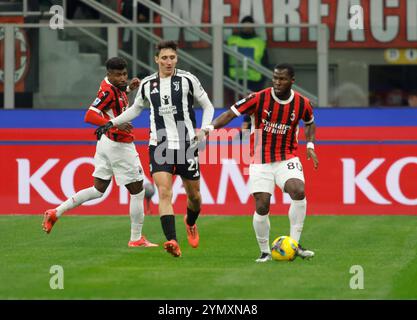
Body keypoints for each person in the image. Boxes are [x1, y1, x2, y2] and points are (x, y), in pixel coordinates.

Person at [95, 41, 215, 258]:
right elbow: (135, 109)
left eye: (172, 58)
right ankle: (172, 241)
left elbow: (208, 105)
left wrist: (205, 129)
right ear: (156, 59)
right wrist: (111, 123)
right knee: (164, 192)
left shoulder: (188, 79)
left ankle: (190, 221)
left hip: (187, 143)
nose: (169, 62)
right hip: (159, 143)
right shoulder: (148, 84)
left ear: (176, 59)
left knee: (194, 196)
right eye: (165, 58)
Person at [198, 63, 318, 262]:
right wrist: (207, 129)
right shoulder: (258, 98)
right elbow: (230, 113)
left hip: (286, 157)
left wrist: (310, 145)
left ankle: (294, 245)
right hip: (260, 160)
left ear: (292, 81)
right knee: (262, 205)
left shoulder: (302, 103)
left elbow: (310, 122)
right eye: (275, 78)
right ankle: (265, 252)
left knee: (298, 190)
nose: (277, 82)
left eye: (282, 79)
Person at [42, 57, 158, 248]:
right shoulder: (107, 91)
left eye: (125, 74)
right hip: (119, 145)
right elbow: (89, 115)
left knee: (98, 189)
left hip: (105, 143)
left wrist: (129, 89)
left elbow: (114, 104)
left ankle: (56, 212)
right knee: (138, 191)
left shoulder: (112, 87)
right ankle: (136, 238)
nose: (122, 78)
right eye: (118, 75)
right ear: (109, 74)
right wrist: (114, 125)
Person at [226, 15, 268, 94]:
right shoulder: (231, 41)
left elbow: (265, 63)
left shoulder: (260, 42)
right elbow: (225, 60)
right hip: (234, 81)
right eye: (245, 25)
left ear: (253, 27)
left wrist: (262, 80)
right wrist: (227, 76)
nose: (247, 28)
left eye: (250, 26)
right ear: (241, 26)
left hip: (255, 82)